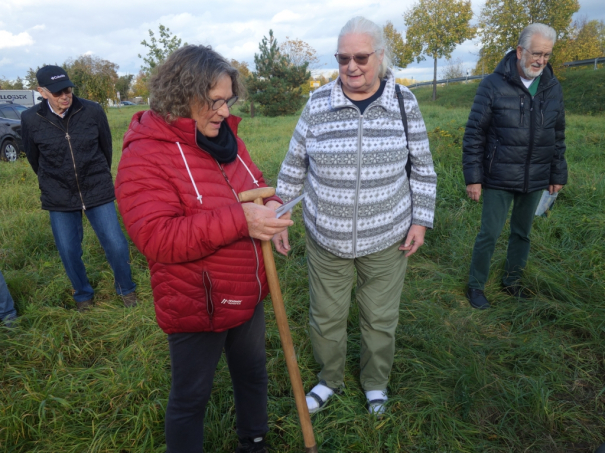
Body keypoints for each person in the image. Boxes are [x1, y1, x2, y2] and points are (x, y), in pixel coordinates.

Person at [115, 45, 293, 453]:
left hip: (248, 286)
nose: (225, 112)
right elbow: (156, 237)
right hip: (196, 299)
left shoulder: (227, 138)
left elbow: (255, 181)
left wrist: (269, 202)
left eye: (229, 100)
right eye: (214, 101)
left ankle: (255, 442)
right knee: (191, 397)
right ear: (181, 96)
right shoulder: (146, 153)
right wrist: (242, 219)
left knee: (252, 373)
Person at [274, 16, 437, 416]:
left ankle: (375, 383)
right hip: (325, 236)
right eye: (343, 58)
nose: (352, 66)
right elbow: (294, 163)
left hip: (387, 235)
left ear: (379, 56)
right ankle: (329, 380)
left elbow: (423, 167)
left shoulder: (404, 102)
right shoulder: (318, 103)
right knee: (325, 317)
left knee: (380, 318)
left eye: (361, 57)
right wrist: (279, 213)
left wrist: (420, 220)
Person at [463, 23, 567, 309]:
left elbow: (558, 134)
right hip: (498, 175)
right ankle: (475, 286)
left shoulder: (552, 86)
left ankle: (511, 281)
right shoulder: (493, 85)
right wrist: (474, 177)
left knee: (523, 233)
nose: (541, 61)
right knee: (490, 233)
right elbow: (474, 133)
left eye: (547, 55)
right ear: (520, 51)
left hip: (536, 175)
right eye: (536, 53)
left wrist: (557, 173)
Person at [20, 65, 137, 312]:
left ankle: (126, 289)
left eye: (68, 89)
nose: (65, 96)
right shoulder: (31, 118)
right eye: (57, 92)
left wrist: (96, 176)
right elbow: (34, 158)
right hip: (58, 194)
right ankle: (83, 294)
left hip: (97, 188)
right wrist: (54, 180)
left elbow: (106, 149)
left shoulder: (92, 110)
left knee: (116, 244)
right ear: (41, 92)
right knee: (69, 250)